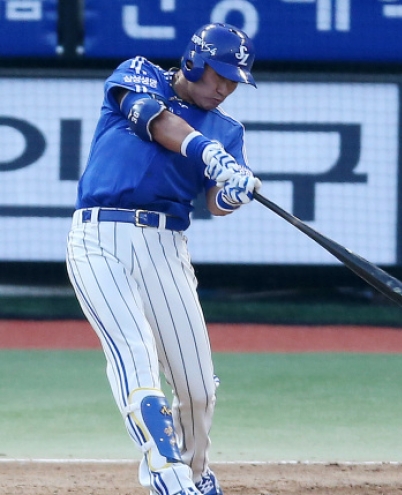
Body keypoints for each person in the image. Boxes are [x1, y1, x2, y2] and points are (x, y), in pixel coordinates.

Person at [65, 23, 261, 495]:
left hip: (166, 247)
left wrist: (235, 190)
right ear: (194, 61)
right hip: (98, 237)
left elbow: (215, 202)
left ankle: (194, 474)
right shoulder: (139, 74)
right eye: (218, 74)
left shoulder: (229, 130)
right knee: (134, 356)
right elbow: (150, 117)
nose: (225, 88)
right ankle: (168, 476)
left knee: (197, 388)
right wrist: (204, 148)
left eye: (235, 80)